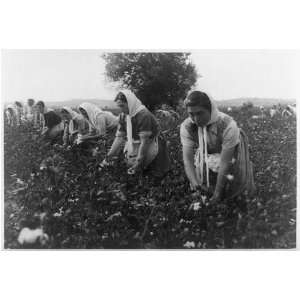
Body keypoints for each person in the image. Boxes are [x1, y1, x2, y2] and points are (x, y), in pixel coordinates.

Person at [180, 91, 255, 203]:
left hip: (231, 151)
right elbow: (188, 161)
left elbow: (225, 163)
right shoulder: (187, 126)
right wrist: (196, 187)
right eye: (191, 114)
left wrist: (217, 194)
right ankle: (207, 193)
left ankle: (233, 201)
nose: (195, 119)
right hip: (208, 149)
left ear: (210, 109)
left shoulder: (227, 125)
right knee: (204, 180)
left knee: (234, 184)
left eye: (200, 113)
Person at [101, 89, 170, 178]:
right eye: (119, 107)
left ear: (130, 103)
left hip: (153, 141)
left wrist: (138, 162)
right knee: (133, 165)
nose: (121, 109)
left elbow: (145, 142)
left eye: (123, 106)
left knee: (155, 172)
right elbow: (119, 138)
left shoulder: (143, 115)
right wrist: (108, 156)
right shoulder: (123, 116)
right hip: (137, 141)